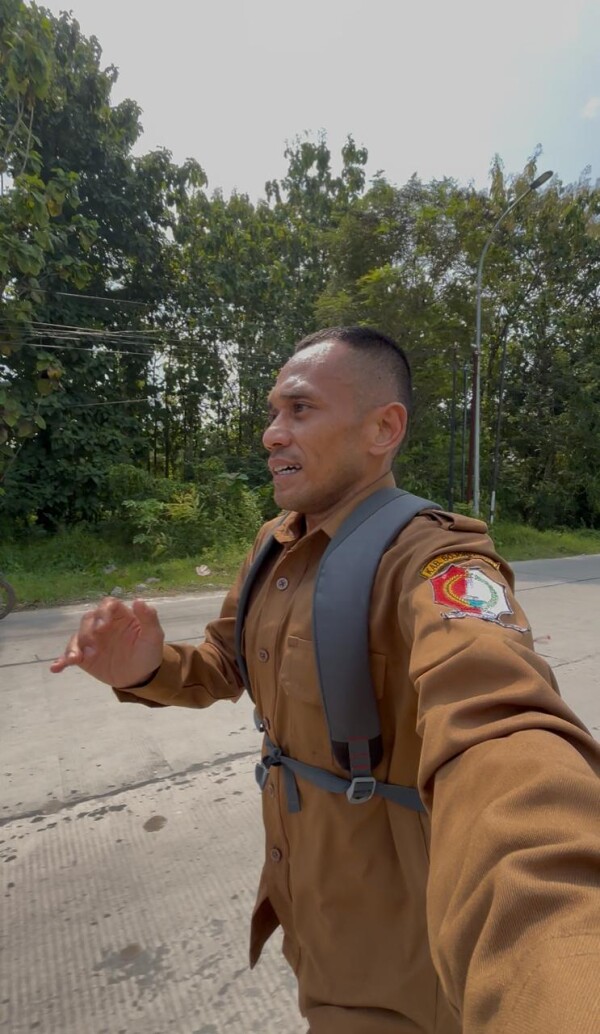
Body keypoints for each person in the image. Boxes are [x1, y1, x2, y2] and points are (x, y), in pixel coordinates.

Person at [52, 327, 600, 1034]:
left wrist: (557, 963)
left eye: (301, 409)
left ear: (383, 429)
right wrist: (149, 669)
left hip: (400, 954)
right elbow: (225, 662)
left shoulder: (433, 559)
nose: (271, 433)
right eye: (273, 412)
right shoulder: (274, 543)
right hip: (311, 907)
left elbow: (499, 722)